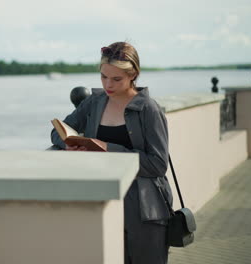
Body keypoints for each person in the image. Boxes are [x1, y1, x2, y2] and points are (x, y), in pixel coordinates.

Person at [50, 41, 173, 264]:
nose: (108, 84)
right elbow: (57, 131)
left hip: (144, 209)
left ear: (133, 74)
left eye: (116, 79)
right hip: (104, 199)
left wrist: (108, 148)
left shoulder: (149, 110)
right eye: (103, 77)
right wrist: (66, 144)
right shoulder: (94, 102)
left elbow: (157, 164)